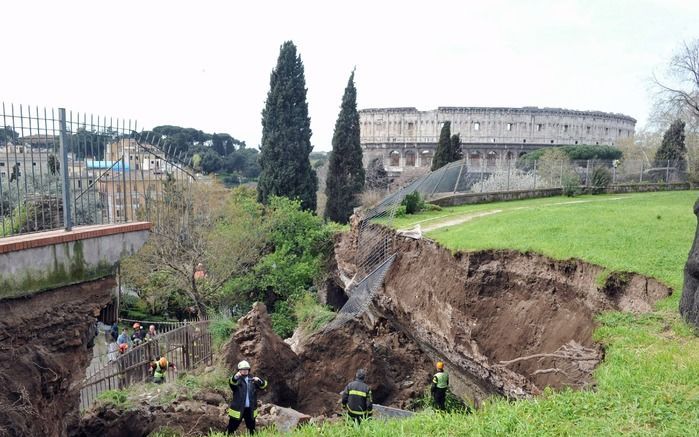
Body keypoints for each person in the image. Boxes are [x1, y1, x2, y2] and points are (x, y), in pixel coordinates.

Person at [226, 360, 267, 435]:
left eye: (246, 369)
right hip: (238, 410)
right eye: (242, 369)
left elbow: (263, 386)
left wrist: (260, 381)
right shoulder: (237, 379)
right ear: (239, 370)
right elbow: (232, 382)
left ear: (249, 370)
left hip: (250, 410)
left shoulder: (253, 379)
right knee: (230, 430)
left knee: (252, 430)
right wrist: (235, 376)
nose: (245, 371)